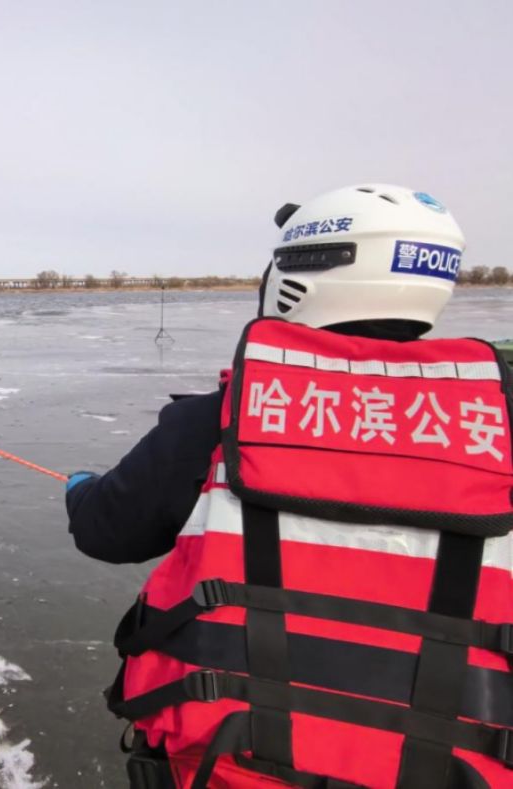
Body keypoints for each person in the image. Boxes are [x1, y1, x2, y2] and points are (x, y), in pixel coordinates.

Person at [66, 186, 513, 788]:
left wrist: (79, 489)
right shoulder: (499, 428)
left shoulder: (217, 420)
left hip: (233, 767)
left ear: (300, 271)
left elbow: (105, 530)